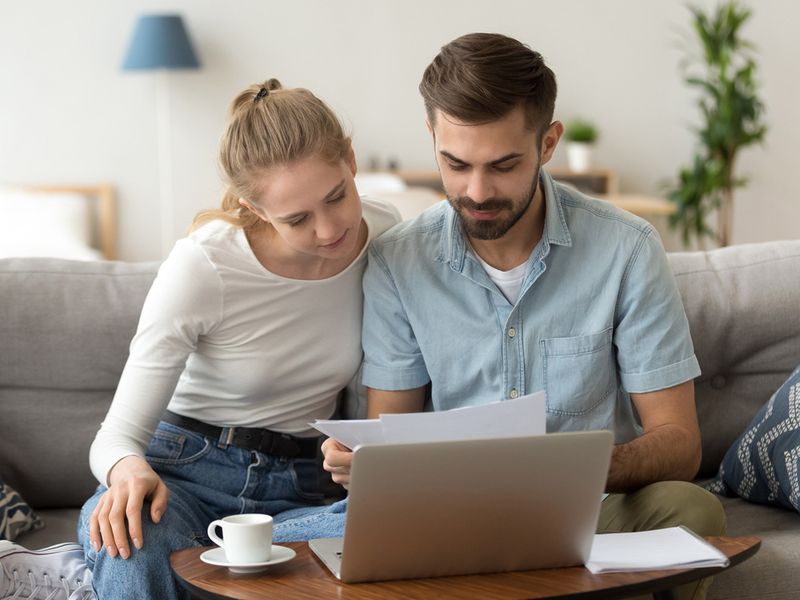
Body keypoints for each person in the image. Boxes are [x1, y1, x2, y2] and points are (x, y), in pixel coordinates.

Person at [320, 33, 726, 600]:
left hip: (590, 515)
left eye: (504, 165)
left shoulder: (626, 249)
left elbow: (679, 443)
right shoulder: (397, 263)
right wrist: (365, 465)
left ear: (548, 142)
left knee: (691, 507)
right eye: (454, 164)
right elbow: (389, 435)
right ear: (432, 138)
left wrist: (569, 470)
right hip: (451, 524)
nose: (477, 191)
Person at [0, 79, 399, 600]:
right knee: (134, 538)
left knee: (392, 529)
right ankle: (199, 562)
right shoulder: (205, 264)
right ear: (257, 210)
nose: (328, 230)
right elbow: (115, 437)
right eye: (296, 219)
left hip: (305, 486)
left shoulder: (390, 237)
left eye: (336, 197)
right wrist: (128, 471)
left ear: (350, 160)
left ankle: (193, 562)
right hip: (185, 471)